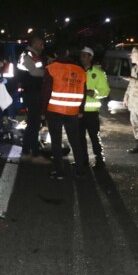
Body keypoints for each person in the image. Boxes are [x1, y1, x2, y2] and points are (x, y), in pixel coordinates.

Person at [40, 44, 88, 179]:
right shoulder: (80, 70)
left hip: (54, 110)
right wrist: (80, 109)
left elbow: (46, 92)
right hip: (72, 111)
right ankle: (80, 170)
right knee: (75, 140)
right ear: (67, 52)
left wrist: (43, 111)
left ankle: (59, 172)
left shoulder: (51, 68)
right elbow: (83, 92)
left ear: (55, 54)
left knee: (56, 142)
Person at [17, 35, 51, 165]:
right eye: (41, 43)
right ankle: (34, 153)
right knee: (34, 123)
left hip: (33, 92)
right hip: (32, 93)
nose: (43, 46)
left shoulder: (33, 54)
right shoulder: (27, 55)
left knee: (33, 123)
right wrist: (48, 71)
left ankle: (27, 152)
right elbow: (35, 72)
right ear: (35, 43)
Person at [78, 46, 110, 169]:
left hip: (91, 112)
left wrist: (95, 92)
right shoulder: (77, 71)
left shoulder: (99, 73)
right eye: (81, 55)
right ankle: (83, 161)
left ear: (90, 57)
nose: (82, 58)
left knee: (94, 137)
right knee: (80, 138)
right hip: (78, 111)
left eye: (84, 55)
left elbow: (105, 91)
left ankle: (100, 161)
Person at [0, 56, 18, 122]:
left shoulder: (11, 66)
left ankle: (12, 123)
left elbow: (12, 77)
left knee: (10, 109)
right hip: (0, 92)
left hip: (10, 91)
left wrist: (2, 79)